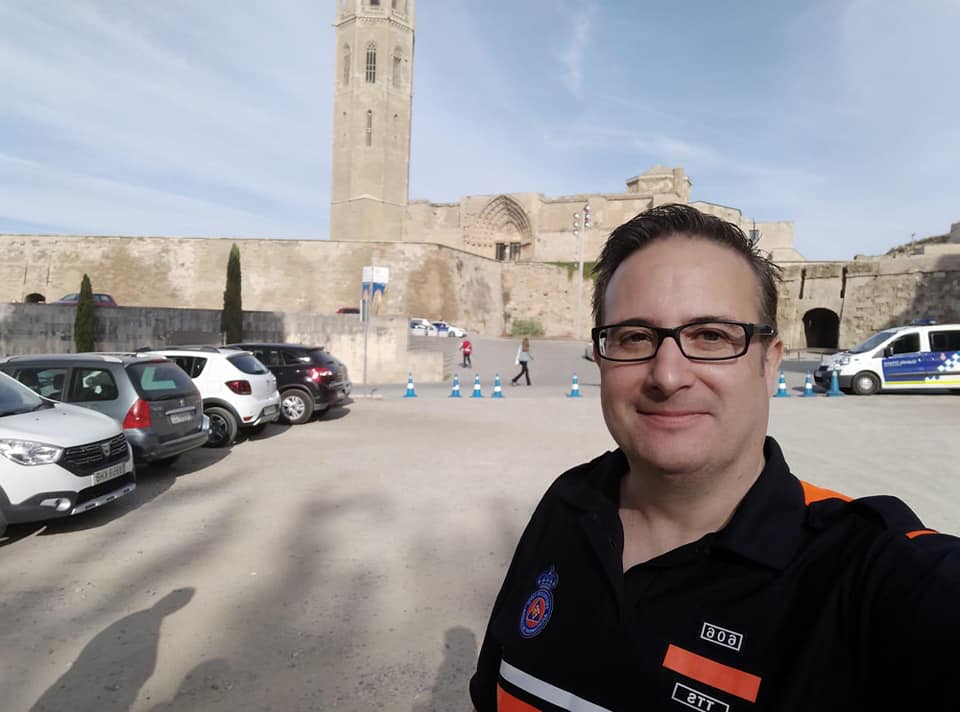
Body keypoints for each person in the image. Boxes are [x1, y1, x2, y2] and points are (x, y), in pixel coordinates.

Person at [470, 204, 960, 711]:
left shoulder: (870, 573)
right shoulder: (569, 503)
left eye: (711, 336)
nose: (667, 376)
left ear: (769, 363)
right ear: (600, 357)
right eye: (635, 337)